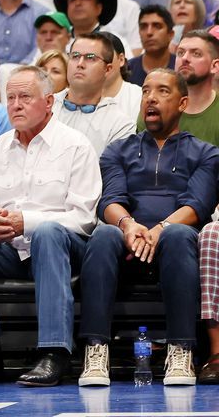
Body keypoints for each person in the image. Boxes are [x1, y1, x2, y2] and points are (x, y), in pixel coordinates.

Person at [0, 66, 100, 387]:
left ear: (49, 102)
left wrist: (27, 222)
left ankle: (53, 352)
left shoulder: (75, 146)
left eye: (25, 97)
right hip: (8, 248)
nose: (16, 104)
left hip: (62, 249)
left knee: (47, 232)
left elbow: (84, 218)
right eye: (10, 98)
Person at [78, 68, 217, 388]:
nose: (151, 98)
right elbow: (110, 200)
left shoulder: (206, 153)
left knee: (179, 233)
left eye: (162, 91)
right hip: (126, 241)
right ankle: (96, 349)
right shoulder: (118, 150)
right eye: (145, 91)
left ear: (183, 102)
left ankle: (181, 349)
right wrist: (128, 225)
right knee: (103, 233)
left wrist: (159, 229)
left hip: (176, 245)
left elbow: (198, 206)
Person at [52, 32, 137, 156]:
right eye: (75, 56)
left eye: (90, 57)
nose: (80, 64)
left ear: (107, 69)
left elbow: (111, 173)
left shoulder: (121, 125)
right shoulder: (44, 107)